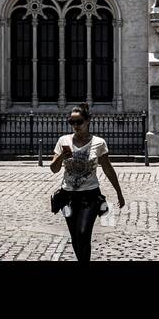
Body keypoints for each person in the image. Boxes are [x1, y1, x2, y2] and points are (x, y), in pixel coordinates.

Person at [49, 103, 125, 262]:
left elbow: (107, 168)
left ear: (88, 120)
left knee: (83, 233)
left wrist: (119, 192)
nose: (75, 126)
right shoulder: (63, 141)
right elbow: (54, 169)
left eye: (79, 122)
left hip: (90, 197)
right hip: (67, 198)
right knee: (75, 237)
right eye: (72, 122)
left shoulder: (99, 143)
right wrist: (61, 157)